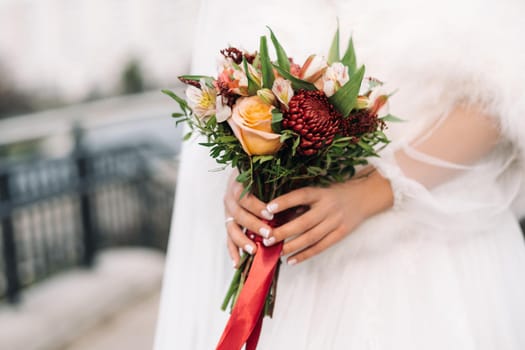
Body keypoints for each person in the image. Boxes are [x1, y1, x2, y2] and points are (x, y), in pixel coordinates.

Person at [154, 0, 525, 348]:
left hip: (429, 253)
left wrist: (377, 190)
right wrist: (246, 179)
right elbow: (228, 86)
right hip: (299, 269)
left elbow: (503, 95)